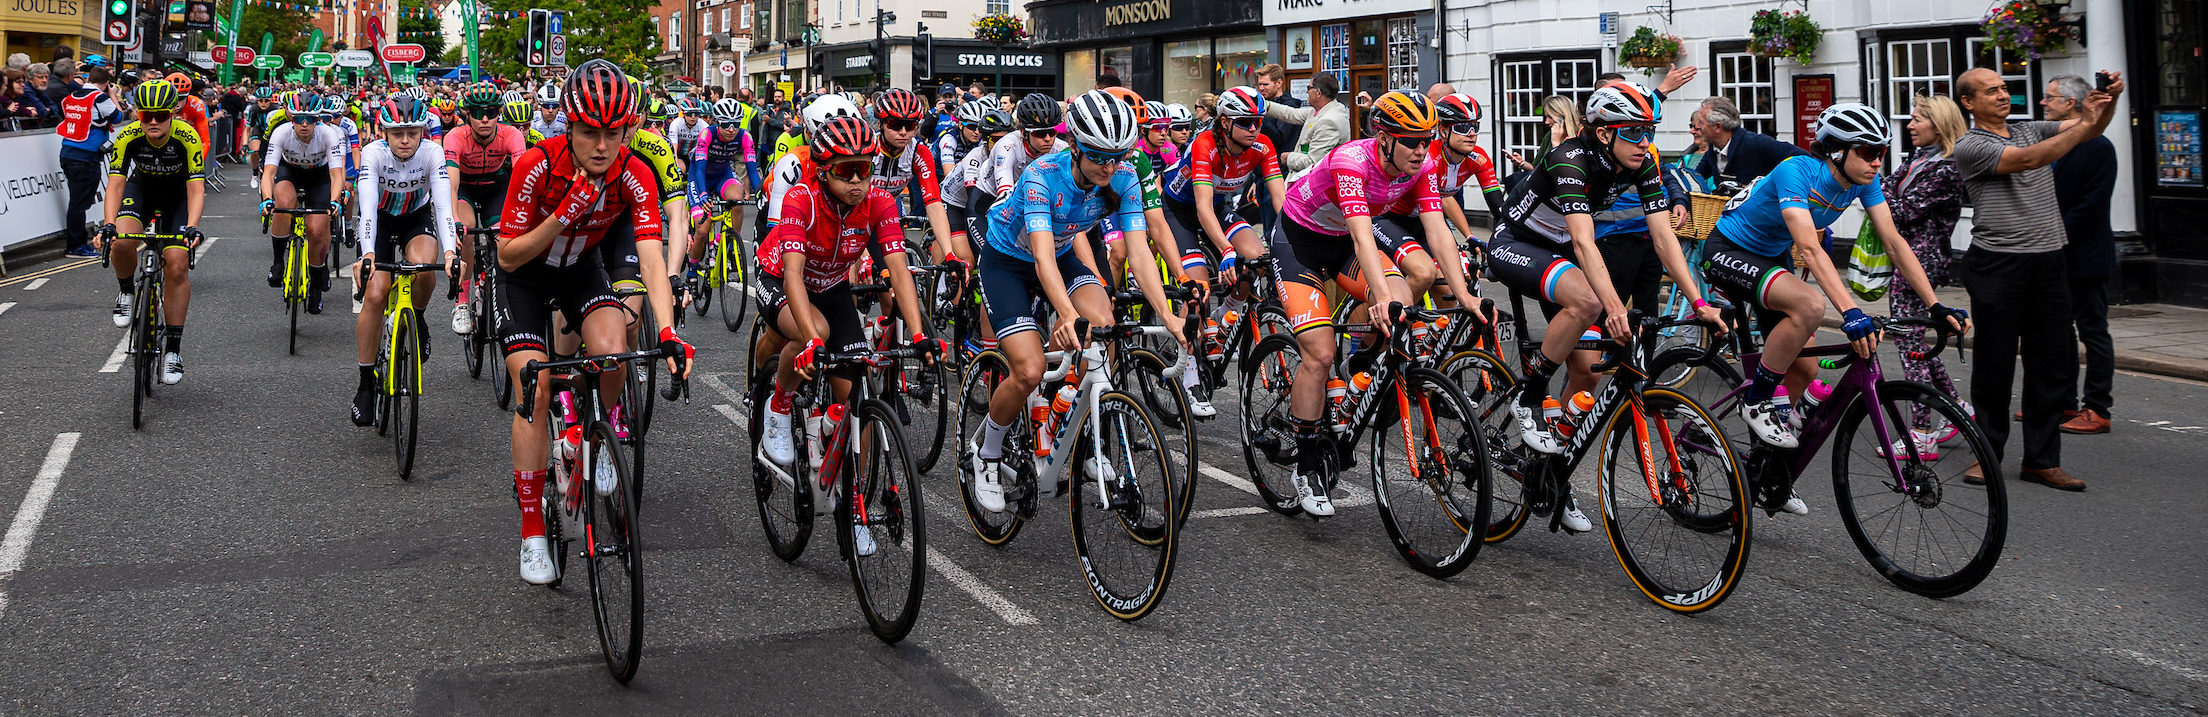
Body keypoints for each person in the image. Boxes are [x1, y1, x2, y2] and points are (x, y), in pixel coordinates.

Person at [1700, 103, 1966, 513]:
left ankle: (1766, 470)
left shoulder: (1864, 181)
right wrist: (1850, 311)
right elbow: (1807, 245)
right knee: (1808, 305)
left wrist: (1934, 304)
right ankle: (1757, 401)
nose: (1878, 161)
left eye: (1882, 152)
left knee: (1805, 371)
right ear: (1837, 151)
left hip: (1771, 259)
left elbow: (1894, 243)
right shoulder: (1797, 170)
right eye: (1868, 151)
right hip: (1728, 250)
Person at [1488, 83, 1723, 528]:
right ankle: (1529, 394)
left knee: (1587, 369)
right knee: (1590, 301)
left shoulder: (1644, 161)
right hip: (1516, 244)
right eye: (1634, 133)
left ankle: (1549, 472)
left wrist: (1699, 302)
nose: (1645, 143)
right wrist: (1614, 307)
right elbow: (1582, 238)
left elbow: (1662, 237)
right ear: (1603, 134)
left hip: (1560, 252)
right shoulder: (1569, 160)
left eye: (1649, 131)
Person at [495, 60, 692, 584]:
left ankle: (599, 435)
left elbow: (651, 258)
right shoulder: (536, 164)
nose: (602, 145)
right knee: (533, 386)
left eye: (614, 132)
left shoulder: (635, 172)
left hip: (581, 269)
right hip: (526, 277)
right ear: (569, 124)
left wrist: (670, 332)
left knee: (614, 347)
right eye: (589, 132)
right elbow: (509, 256)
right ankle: (533, 526)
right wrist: (562, 214)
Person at [1260, 91, 1445, 516]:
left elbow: (1437, 234)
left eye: (1427, 139)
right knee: (1319, 354)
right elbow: (1364, 235)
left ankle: (1356, 373)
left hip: (1341, 243)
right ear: (1383, 138)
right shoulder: (1350, 160)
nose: (1422, 150)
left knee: (1400, 304)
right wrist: (1378, 296)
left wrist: (1466, 294)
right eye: (1411, 140)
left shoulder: (1423, 165)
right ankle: (1306, 465)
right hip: (1300, 244)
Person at [965, 90, 1149, 514]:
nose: (1111, 165)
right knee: (1028, 370)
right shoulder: (1040, 174)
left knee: (1103, 325)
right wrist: (1065, 314)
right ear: (1080, 147)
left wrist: (1173, 318)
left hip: (1060, 251)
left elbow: (1138, 252)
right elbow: (1040, 255)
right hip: (1008, 260)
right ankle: (987, 452)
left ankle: (1076, 431)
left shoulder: (1120, 175)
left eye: (1118, 156)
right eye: (1101, 156)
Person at [1951, 68, 2123, 491]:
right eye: (1991, 91)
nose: (2002, 95)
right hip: (1998, 264)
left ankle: (2042, 461)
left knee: (2050, 365)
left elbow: (2091, 131)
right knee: (1994, 365)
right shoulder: (1971, 145)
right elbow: (2030, 160)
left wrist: (2107, 101)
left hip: (2048, 261)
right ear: (1969, 103)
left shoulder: (2030, 128)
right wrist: (2083, 124)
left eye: (2005, 87)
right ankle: (1986, 456)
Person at [753, 116, 936, 491]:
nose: (857, 181)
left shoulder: (880, 201)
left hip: (830, 286)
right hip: (782, 279)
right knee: (815, 331)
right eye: (846, 171)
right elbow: (792, 275)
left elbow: (899, 272)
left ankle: (856, 503)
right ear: (823, 172)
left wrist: (918, 336)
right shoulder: (801, 198)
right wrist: (812, 342)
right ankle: (780, 404)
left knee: (855, 394)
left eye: (864, 170)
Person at [349, 96, 459, 426]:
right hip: (379, 221)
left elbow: (442, 207)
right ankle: (366, 383)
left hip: (414, 217)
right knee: (376, 294)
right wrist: (367, 254)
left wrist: (451, 252)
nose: (406, 140)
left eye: (413, 132)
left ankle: (419, 319)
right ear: (385, 132)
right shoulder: (373, 154)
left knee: (426, 268)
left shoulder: (431, 152)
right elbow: (366, 207)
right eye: (398, 133)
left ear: (423, 131)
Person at [94, 80, 207, 385]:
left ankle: (173, 350)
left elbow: (196, 188)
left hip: (177, 196)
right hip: (141, 189)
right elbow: (116, 184)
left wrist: (193, 226)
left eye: (160, 115)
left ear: (172, 114)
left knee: (178, 264)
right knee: (119, 241)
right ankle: (127, 291)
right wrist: (108, 223)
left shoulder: (187, 136)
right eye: (146, 116)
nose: (153, 122)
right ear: (139, 115)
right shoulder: (128, 136)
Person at [1883, 94, 1972, 447]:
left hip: (1921, 262)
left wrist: (1881, 194)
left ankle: (1921, 432)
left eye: (1918, 119)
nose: (1910, 125)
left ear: (1940, 124)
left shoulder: (1948, 169)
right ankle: (1958, 409)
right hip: (1906, 257)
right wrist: (1884, 192)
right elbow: (1888, 187)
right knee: (1917, 342)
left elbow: (1903, 209)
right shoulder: (1919, 158)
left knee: (1908, 343)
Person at [2043, 74, 2118, 436]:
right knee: (2060, 332)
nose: (2044, 103)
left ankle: (2098, 408)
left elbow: (2090, 206)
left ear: (2070, 103)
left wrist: (2054, 235)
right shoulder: (2058, 140)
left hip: (2086, 255)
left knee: (2093, 331)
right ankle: (2064, 402)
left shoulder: (2099, 147)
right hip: (2058, 254)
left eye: (2050, 98)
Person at [443, 86, 528, 334]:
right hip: (465, 189)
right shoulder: (455, 137)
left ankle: (494, 284)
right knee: (466, 232)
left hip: (496, 187)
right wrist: (455, 220)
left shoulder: (511, 134)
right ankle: (462, 303)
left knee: (504, 237)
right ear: (467, 115)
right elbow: (451, 182)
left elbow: (523, 177)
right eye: (478, 113)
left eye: (491, 112)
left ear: (498, 113)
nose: (485, 119)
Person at [259, 92, 348, 314]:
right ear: (291, 119)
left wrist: (335, 201)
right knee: (284, 203)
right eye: (299, 119)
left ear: (318, 119)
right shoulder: (280, 133)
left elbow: (337, 174)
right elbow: (269, 173)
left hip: (320, 176)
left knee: (317, 230)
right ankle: (278, 262)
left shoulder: (329, 134)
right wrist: (267, 199)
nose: (304, 124)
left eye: (310, 119)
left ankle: (316, 285)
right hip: (290, 171)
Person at [57, 66, 125, 257]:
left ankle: (77, 242)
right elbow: (118, 117)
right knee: (79, 203)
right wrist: (113, 95)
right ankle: (76, 245)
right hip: (85, 156)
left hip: (68, 152)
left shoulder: (73, 96)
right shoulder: (100, 98)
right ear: (106, 83)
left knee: (77, 201)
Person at [1691, 96, 1808, 190]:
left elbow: (1803, 158)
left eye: (1701, 123)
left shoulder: (1756, 143)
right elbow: (1696, 177)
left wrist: (1769, 185)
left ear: (1717, 127)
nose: (1696, 127)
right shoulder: (1714, 149)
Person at [1262, 72, 1349, 179]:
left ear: (1318, 93)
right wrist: (1263, 104)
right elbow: (1291, 114)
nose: (1306, 91)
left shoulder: (1328, 121)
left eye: (1309, 87)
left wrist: (1289, 157)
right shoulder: (1321, 110)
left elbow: (1314, 162)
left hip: (1313, 184)